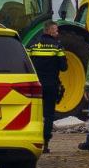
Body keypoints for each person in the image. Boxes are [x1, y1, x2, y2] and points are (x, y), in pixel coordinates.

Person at [26, 22, 67, 151]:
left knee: (35, 113)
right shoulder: (57, 46)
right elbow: (64, 67)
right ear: (49, 31)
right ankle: (46, 143)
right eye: (55, 30)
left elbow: (25, 63)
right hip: (51, 85)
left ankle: (32, 141)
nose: (57, 33)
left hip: (35, 86)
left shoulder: (32, 45)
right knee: (49, 114)